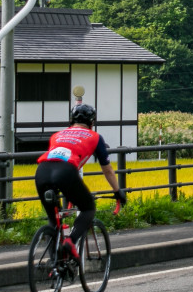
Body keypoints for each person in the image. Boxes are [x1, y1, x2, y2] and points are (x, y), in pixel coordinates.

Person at [34, 104, 126, 261]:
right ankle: (71, 241)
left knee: (53, 219)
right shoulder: (95, 137)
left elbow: (56, 158)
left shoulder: (57, 135)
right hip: (66, 173)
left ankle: (56, 263)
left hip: (41, 172)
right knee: (88, 208)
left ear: (71, 120)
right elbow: (108, 170)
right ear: (92, 122)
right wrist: (118, 191)